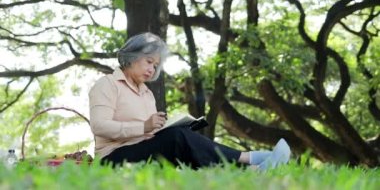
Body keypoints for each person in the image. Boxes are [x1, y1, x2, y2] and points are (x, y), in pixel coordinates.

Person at [89, 32, 291, 170]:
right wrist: (143, 127)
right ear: (132, 56)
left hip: (141, 151)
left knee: (180, 134)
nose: (152, 69)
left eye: (156, 65)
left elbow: (146, 133)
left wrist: (156, 130)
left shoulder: (147, 93)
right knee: (177, 137)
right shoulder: (107, 84)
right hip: (112, 158)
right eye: (149, 62)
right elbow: (100, 126)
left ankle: (252, 168)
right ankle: (249, 159)